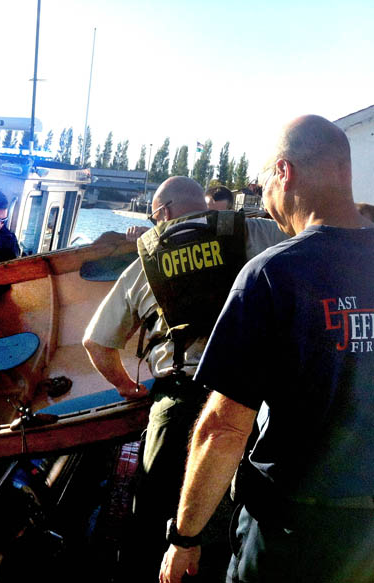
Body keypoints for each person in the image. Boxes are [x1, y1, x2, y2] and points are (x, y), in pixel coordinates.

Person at [160, 115, 374, 583]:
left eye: (262, 186)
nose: (265, 202)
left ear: (285, 173)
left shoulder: (272, 275)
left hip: (291, 535)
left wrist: (185, 536)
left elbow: (222, 429)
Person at [83, 176, 286, 581]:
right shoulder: (255, 231)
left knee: (153, 519)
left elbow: (95, 342)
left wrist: (128, 387)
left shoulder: (148, 258)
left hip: (176, 402)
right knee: (229, 523)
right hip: (246, 402)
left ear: (164, 213)